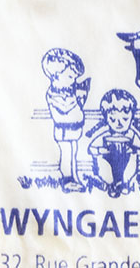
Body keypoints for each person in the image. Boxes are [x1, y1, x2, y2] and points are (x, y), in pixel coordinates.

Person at [41, 47, 90, 192]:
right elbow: (64, 109)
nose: (73, 81)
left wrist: (80, 97)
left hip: (72, 130)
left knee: (73, 153)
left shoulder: (67, 92)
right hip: (64, 130)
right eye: (70, 77)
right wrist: (78, 98)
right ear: (56, 76)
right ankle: (67, 179)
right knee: (67, 153)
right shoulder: (54, 94)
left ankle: (74, 177)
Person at [86, 89, 140, 197]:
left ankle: (124, 183)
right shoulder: (106, 135)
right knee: (101, 160)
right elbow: (91, 149)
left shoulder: (131, 135)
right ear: (106, 119)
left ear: (131, 118)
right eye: (113, 120)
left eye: (125, 119)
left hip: (126, 163)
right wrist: (100, 150)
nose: (119, 123)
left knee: (133, 158)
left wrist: (133, 150)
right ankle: (111, 184)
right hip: (108, 162)